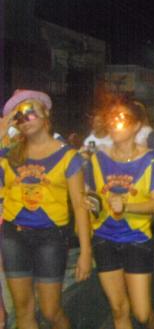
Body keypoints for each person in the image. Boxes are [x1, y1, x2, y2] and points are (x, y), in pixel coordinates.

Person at [0, 89, 92, 329]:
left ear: (46, 114)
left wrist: (85, 251)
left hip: (51, 237)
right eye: (18, 116)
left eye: (30, 112)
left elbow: (80, 206)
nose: (24, 119)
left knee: (51, 312)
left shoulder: (67, 156)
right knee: (23, 311)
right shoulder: (9, 156)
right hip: (13, 236)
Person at [86, 98, 154, 329]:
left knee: (142, 313)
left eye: (123, 119)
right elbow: (90, 194)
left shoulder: (150, 159)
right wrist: (89, 200)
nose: (115, 124)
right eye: (112, 119)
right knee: (119, 310)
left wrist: (126, 206)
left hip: (136, 239)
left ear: (137, 125)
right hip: (104, 238)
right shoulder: (97, 157)